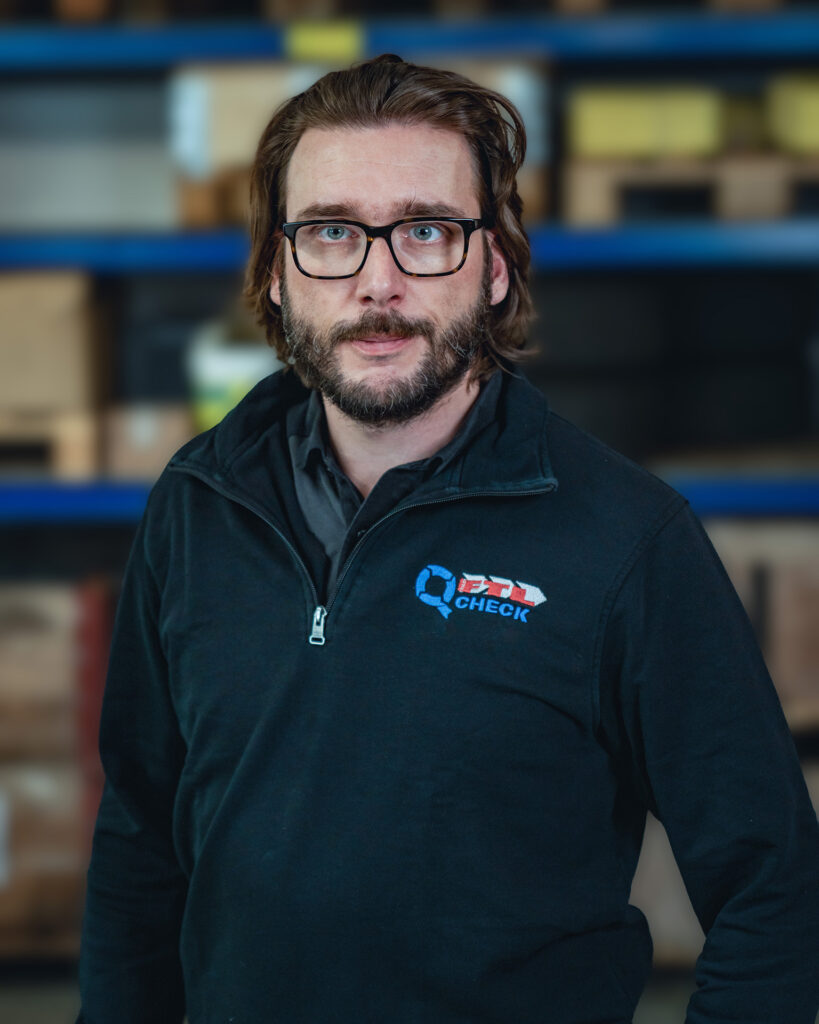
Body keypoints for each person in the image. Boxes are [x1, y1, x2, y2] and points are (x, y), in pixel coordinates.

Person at [78, 55, 819, 1024]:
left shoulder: (626, 539)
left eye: (425, 231)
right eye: (332, 232)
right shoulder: (196, 505)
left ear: (495, 266)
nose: (377, 281)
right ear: (276, 272)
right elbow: (140, 841)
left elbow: (774, 888)